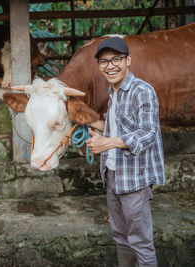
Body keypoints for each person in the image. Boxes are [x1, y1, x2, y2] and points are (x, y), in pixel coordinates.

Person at [86, 37, 165, 267]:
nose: (110, 66)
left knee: (140, 240)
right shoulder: (114, 93)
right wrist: (98, 128)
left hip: (134, 178)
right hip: (112, 175)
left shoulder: (142, 90)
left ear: (128, 60)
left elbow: (148, 133)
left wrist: (107, 143)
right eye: (103, 62)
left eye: (116, 59)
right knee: (120, 236)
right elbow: (121, 126)